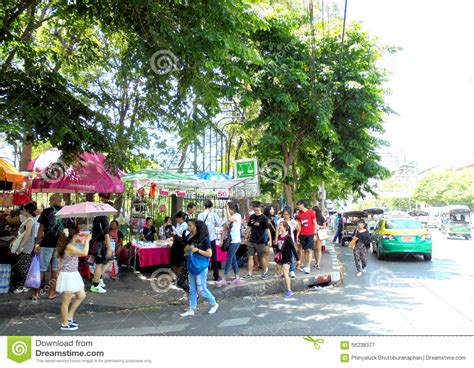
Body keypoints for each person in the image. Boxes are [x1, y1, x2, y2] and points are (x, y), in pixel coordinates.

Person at [55, 221, 91, 331]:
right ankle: (65, 323)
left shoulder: (69, 245)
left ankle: (69, 316)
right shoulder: (69, 246)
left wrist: (78, 240)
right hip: (68, 276)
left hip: (72, 274)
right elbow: (84, 253)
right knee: (66, 301)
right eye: (77, 234)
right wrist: (88, 241)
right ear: (74, 235)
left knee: (81, 295)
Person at [180, 219, 219, 317]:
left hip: (201, 266)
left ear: (196, 227)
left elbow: (209, 254)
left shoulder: (204, 238)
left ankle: (214, 303)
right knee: (192, 289)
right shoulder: (190, 237)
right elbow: (186, 250)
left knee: (201, 288)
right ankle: (191, 309)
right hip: (191, 265)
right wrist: (187, 249)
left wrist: (197, 250)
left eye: (190, 226)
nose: (188, 227)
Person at [33, 194, 63, 300]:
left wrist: (37, 243)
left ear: (53, 200)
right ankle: (51, 293)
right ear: (60, 201)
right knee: (55, 270)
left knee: (41, 269)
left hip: (46, 244)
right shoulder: (66, 212)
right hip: (60, 246)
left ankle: (36, 294)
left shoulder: (46, 211)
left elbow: (41, 229)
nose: (49, 202)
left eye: (50, 200)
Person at [89, 193, 113, 293]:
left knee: (107, 261)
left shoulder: (97, 217)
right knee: (100, 264)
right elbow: (106, 235)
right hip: (100, 244)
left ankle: (98, 278)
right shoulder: (104, 218)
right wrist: (109, 248)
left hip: (96, 243)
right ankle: (95, 285)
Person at [12, 203, 37, 294]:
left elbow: (26, 236)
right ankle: (23, 285)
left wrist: (20, 247)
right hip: (25, 246)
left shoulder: (30, 221)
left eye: (23, 209)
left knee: (24, 266)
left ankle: (22, 286)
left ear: (27, 211)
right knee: (23, 265)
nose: (22, 211)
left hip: (26, 247)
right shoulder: (27, 220)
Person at [243, 201, 272, 280]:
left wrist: (270, 240)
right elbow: (249, 228)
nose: (255, 211)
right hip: (252, 240)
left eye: (257, 210)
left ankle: (265, 272)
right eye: (254, 210)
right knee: (250, 257)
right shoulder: (251, 217)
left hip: (261, 241)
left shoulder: (264, 218)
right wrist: (246, 237)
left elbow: (267, 230)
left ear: (260, 208)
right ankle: (249, 273)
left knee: (262, 258)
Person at [216, 202, 242, 286]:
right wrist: (221, 240)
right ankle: (237, 277)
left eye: (229, 209)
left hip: (235, 240)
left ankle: (224, 278)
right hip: (230, 240)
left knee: (229, 259)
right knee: (233, 259)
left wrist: (226, 209)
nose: (228, 211)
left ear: (232, 209)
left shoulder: (237, 215)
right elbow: (224, 227)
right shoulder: (228, 217)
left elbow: (230, 219)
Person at [197, 200, 223, 282]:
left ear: (204, 206)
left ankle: (202, 276)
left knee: (202, 256)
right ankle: (216, 276)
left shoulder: (200, 215)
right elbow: (219, 223)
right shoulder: (214, 214)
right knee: (213, 257)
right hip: (211, 238)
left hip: (202, 238)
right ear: (211, 206)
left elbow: (198, 226)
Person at [275, 221, 299, 298]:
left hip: (287, 258)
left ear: (285, 227)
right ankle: (287, 288)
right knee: (281, 273)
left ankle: (289, 290)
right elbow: (278, 247)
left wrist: (297, 259)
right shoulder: (279, 236)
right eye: (279, 225)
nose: (279, 227)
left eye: (281, 225)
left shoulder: (288, 237)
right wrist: (277, 255)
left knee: (285, 273)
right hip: (281, 258)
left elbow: (293, 248)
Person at [279, 207, 300, 278]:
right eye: (284, 214)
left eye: (287, 214)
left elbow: (299, 229)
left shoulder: (292, 221)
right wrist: (276, 239)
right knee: (282, 256)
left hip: (290, 240)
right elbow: (277, 230)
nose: (285, 216)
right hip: (282, 241)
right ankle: (283, 271)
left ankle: (292, 270)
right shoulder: (280, 221)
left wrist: (296, 224)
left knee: (291, 255)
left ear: (289, 214)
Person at [296, 200, 316, 274]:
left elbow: (315, 223)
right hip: (302, 234)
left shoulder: (311, 212)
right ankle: (302, 264)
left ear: (303, 204)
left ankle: (308, 266)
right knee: (304, 250)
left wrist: (315, 234)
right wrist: (297, 236)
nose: (298, 207)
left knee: (309, 250)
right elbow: (298, 226)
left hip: (310, 234)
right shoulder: (299, 214)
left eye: (299, 205)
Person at [169, 211, 189, 280]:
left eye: (177, 218)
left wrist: (175, 233)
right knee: (173, 261)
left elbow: (182, 236)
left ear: (181, 218)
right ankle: (176, 275)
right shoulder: (178, 224)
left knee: (179, 262)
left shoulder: (185, 225)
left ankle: (178, 277)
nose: (176, 220)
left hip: (181, 245)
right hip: (176, 243)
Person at [312, 206, 326, 270]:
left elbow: (325, 226)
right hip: (313, 234)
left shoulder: (321, 218)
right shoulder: (312, 217)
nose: (313, 212)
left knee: (318, 248)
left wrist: (318, 226)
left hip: (319, 234)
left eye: (314, 211)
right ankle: (316, 262)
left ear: (316, 211)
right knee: (314, 248)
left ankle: (318, 263)